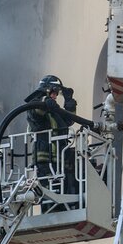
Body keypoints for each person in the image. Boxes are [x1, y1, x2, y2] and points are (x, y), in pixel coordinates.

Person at [24, 75, 80, 203]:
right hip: (45, 161)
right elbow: (35, 112)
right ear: (47, 90)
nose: (55, 96)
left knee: (64, 195)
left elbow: (68, 121)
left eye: (57, 94)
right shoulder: (34, 106)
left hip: (60, 162)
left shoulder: (53, 112)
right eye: (54, 93)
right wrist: (44, 100)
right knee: (50, 200)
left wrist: (69, 103)